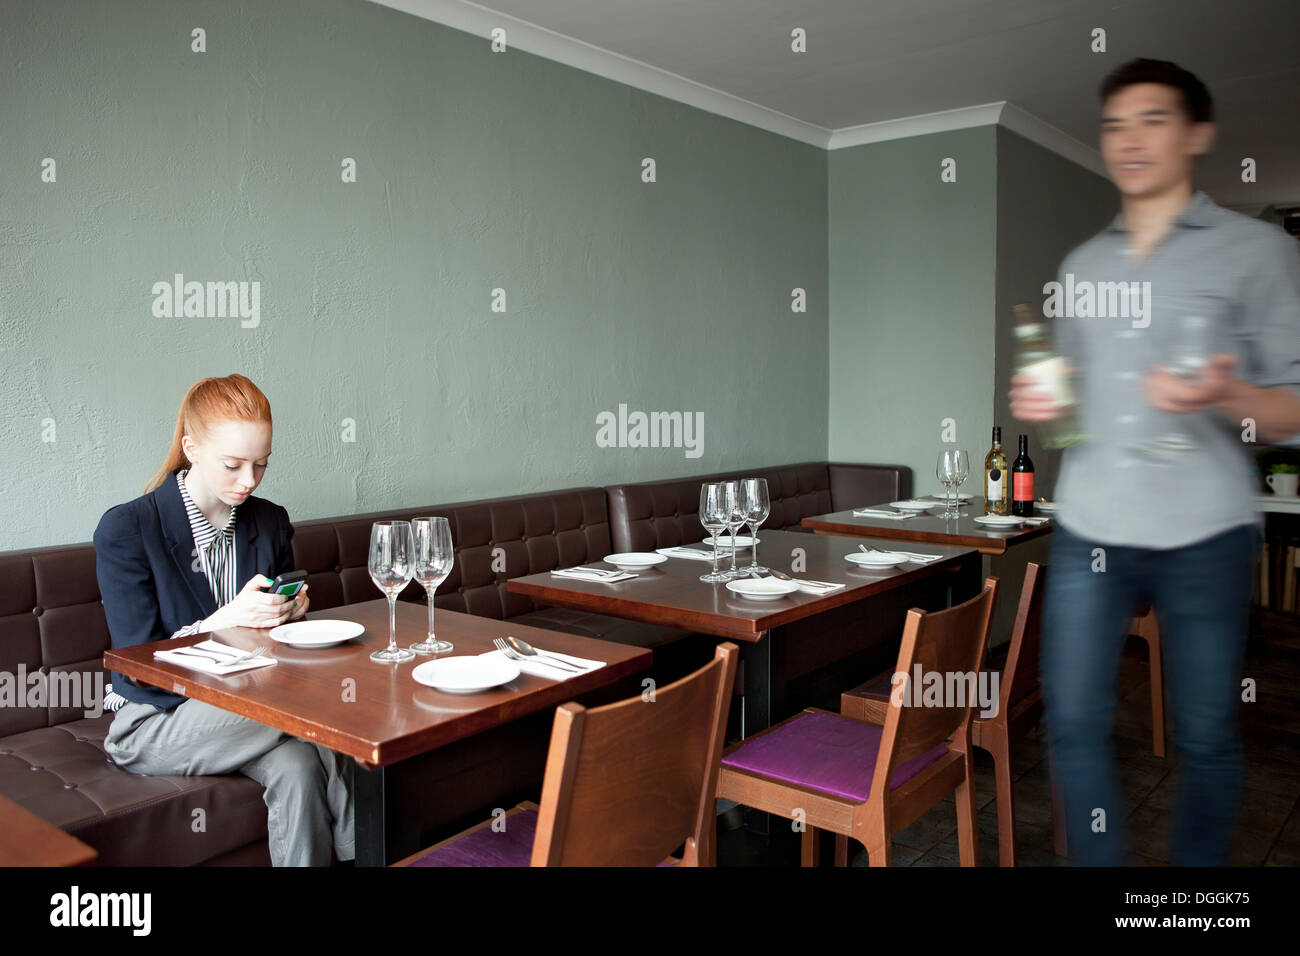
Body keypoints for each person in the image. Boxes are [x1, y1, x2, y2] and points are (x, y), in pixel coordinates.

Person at [1011, 58, 1300, 866]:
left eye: (1153, 119)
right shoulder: (1081, 267)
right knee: (1070, 721)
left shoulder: (1259, 251)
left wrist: (1226, 390)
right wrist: (1049, 401)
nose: (1129, 140)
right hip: (1092, 526)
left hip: (1206, 530)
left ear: (1197, 133)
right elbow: (1079, 400)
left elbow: (1293, 408)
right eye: (1115, 124)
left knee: (1207, 733)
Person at [94, 373, 354, 866]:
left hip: (250, 700)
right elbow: (133, 661)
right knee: (316, 706)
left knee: (298, 766)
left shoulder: (269, 521)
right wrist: (224, 619)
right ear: (191, 448)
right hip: (154, 717)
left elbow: (274, 643)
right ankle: (367, 849)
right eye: (233, 465)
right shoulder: (128, 528)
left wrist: (288, 614)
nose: (249, 481)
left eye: (261, 465)